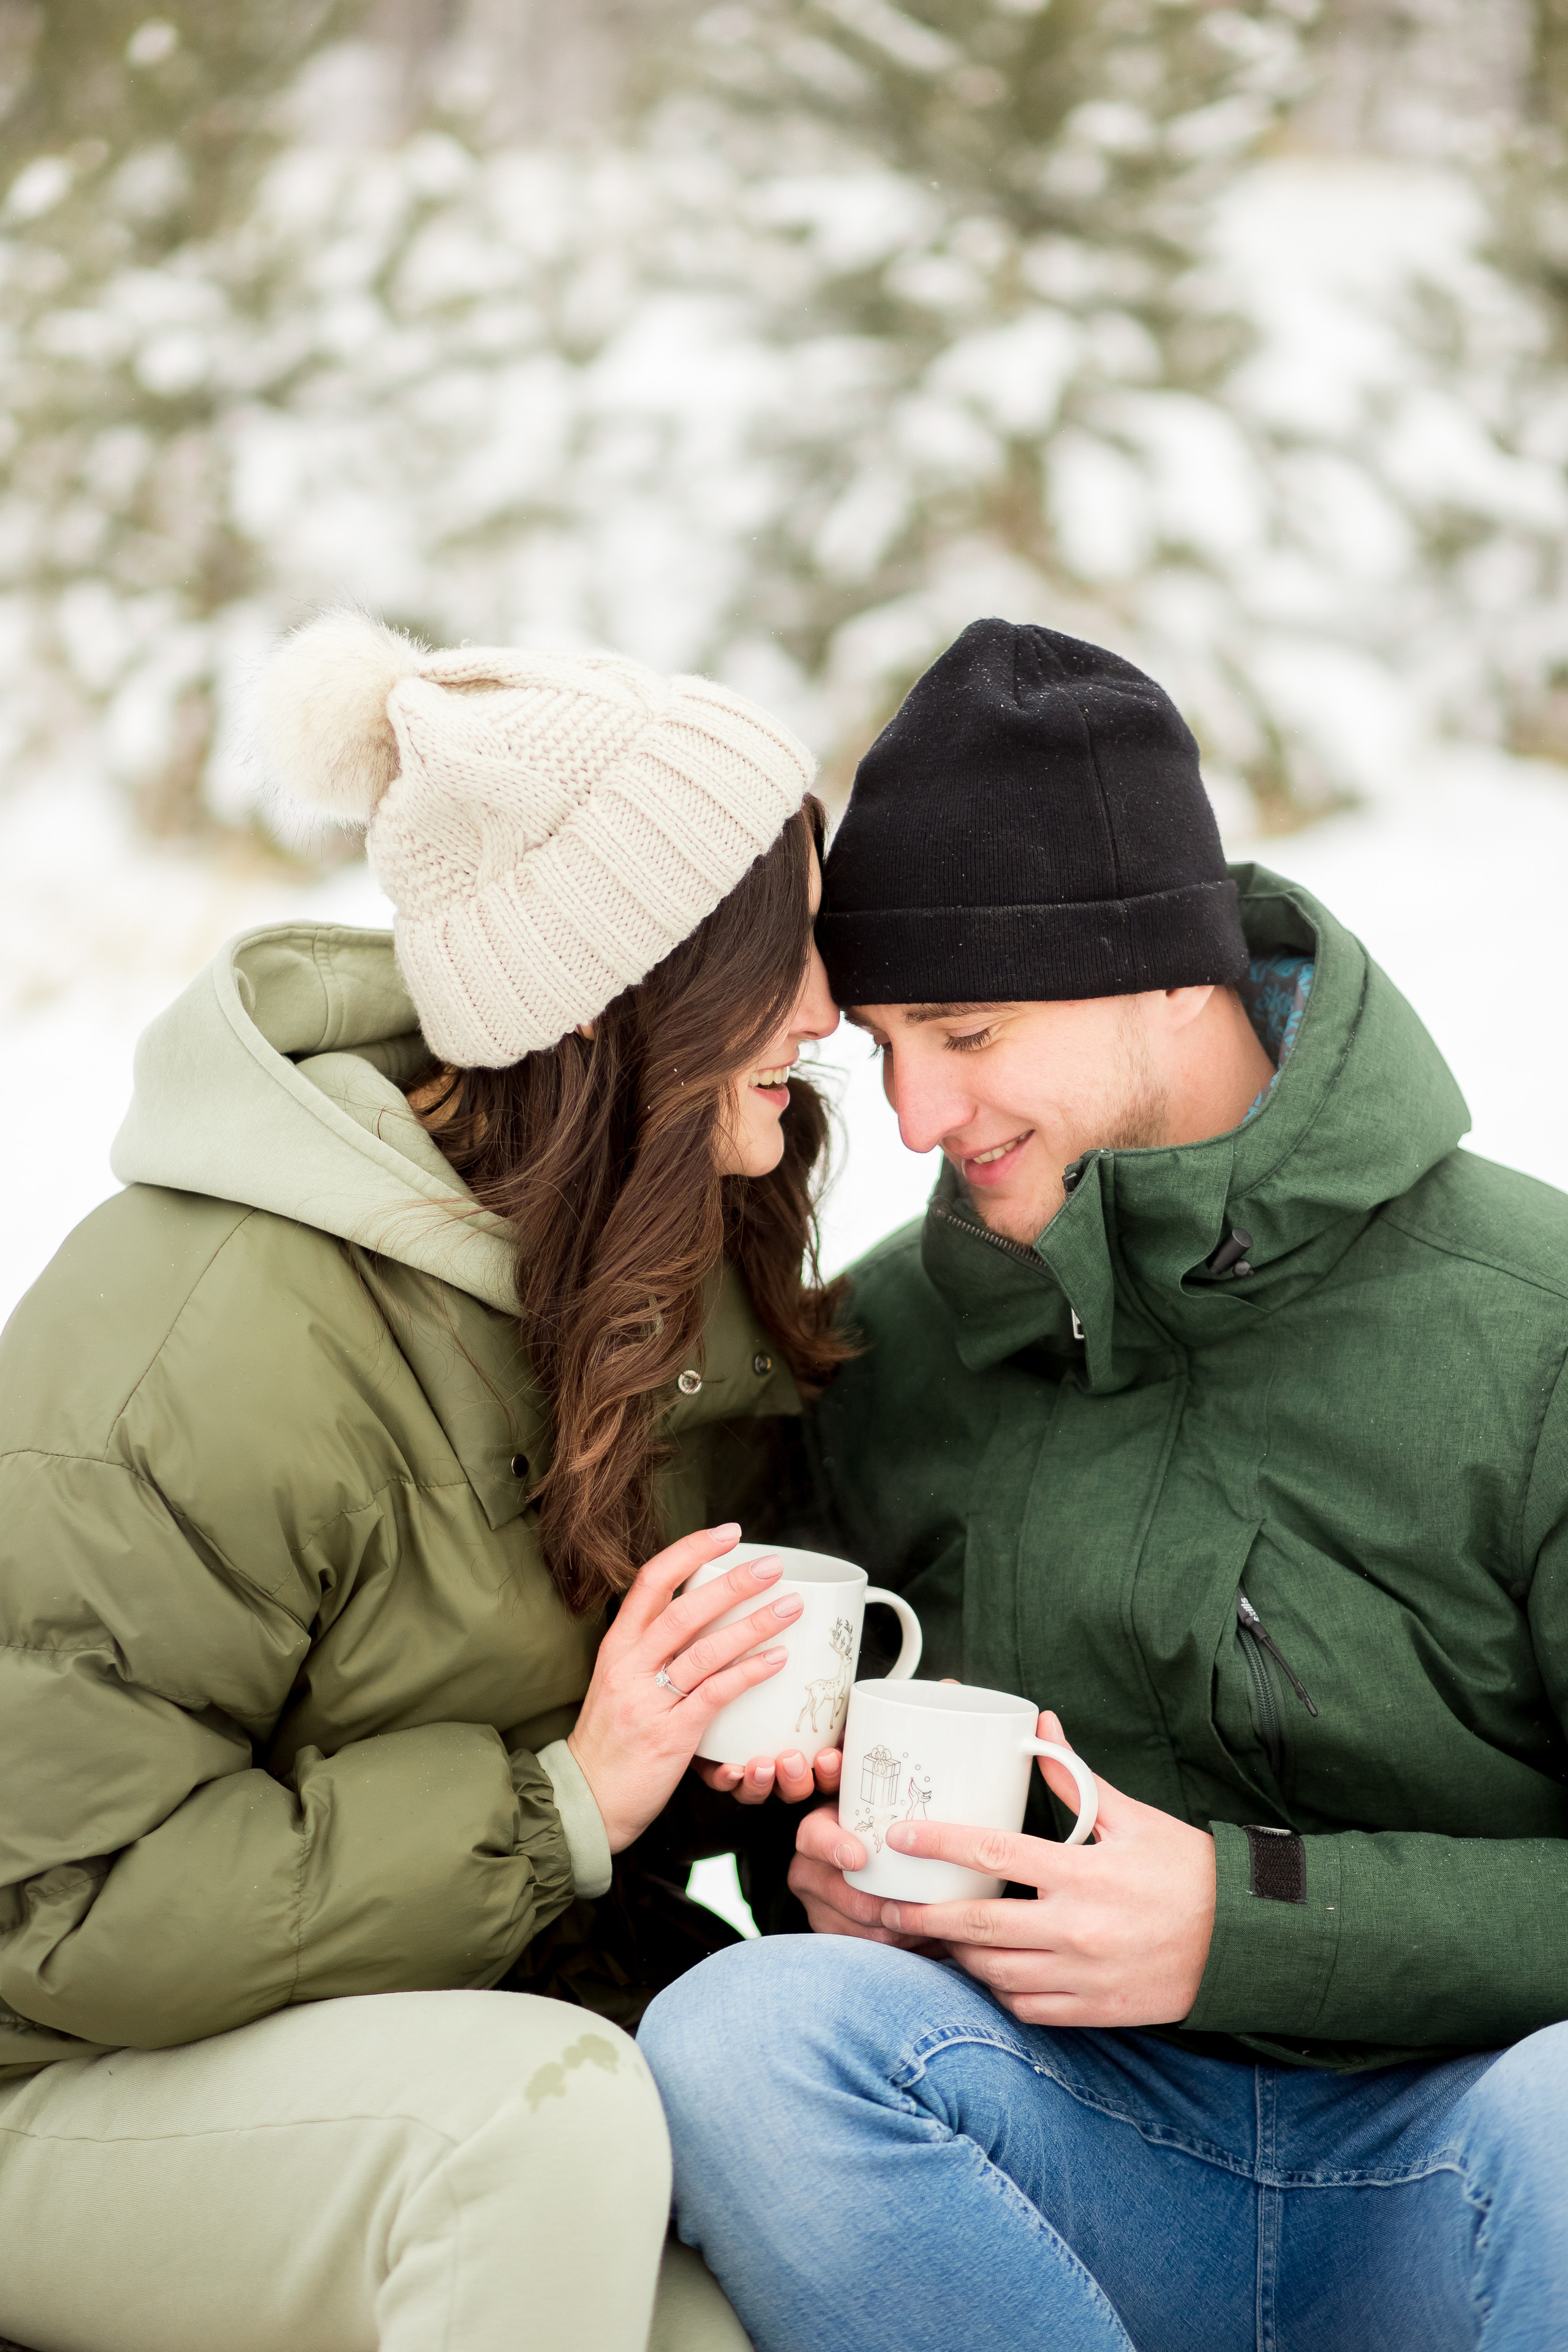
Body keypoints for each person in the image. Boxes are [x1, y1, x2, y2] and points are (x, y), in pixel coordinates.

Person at [641, 619, 1568, 2351]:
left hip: (1468, 2179)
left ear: (1167, 968)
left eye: (970, 1033)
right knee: (744, 2038)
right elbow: (814, 1789)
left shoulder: (1534, 1331)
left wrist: (1248, 1928)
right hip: (1085, 2156)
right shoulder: (890, 1346)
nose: (918, 1117)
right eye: (888, 1048)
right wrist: (824, 1879)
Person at [0, 609, 848, 2352]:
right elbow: (55, 1907)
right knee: (535, 2129)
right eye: (791, 953)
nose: (832, 1011)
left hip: (410, 2042)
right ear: (641, 1001)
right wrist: (562, 1807)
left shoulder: (651, 1278)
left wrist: (724, 1772)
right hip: (64, 2084)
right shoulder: (215, 1327)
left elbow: (587, 1773)